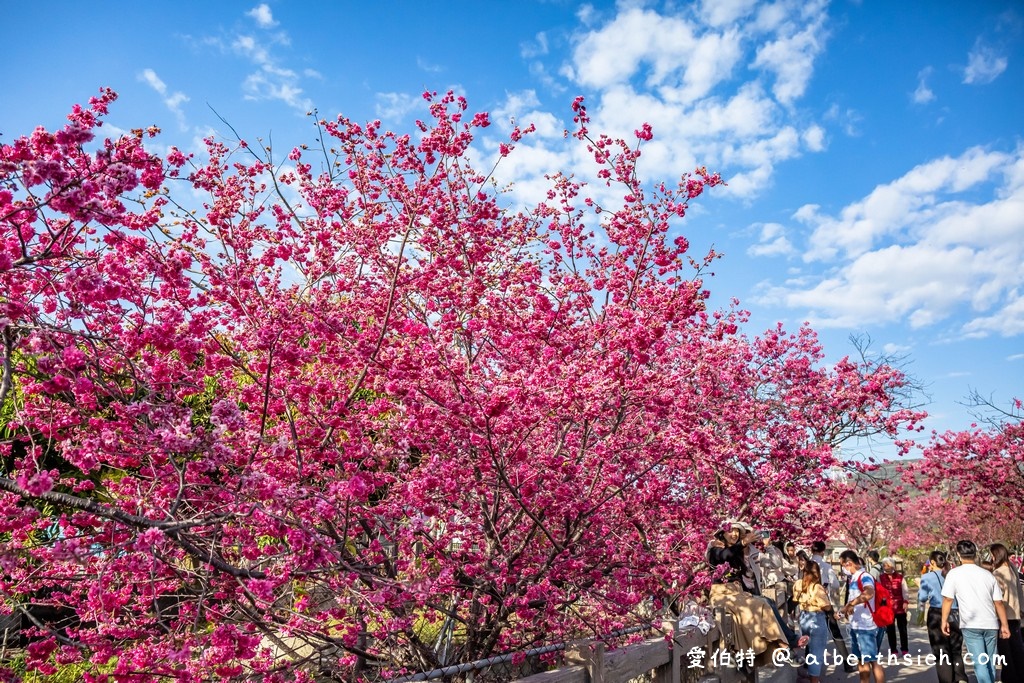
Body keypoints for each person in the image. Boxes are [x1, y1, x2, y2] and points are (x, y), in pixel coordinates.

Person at [706, 522, 809, 657]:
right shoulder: (716, 550)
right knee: (762, 605)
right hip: (723, 594)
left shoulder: (747, 553)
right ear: (722, 534)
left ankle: (788, 643)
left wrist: (768, 546)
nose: (736, 534)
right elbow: (725, 555)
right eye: (731, 531)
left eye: (738, 532)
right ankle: (785, 647)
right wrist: (742, 544)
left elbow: (775, 564)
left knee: (767, 603)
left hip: (740, 593)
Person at [941, 540, 1011, 683]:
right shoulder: (988, 575)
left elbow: (948, 600)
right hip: (991, 624)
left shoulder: (954, 574)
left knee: (980, 663)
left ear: (959, 555)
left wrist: (944, 620)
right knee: (990, 662)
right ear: (975, 554)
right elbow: (998, 602)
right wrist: (1004, 625)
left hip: (971, 624)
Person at [918, 550, 969, 683]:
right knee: (956, 650)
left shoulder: (927, 577)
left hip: (937, 613)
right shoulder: (953, 574)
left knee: (941, 652)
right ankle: (961, 678)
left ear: (933, 562)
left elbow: (922, 598)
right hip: (956, 613)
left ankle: (947, 680)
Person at [839, 550, 885, 683]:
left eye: (843, 565)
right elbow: (854, 600)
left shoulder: (865, 576)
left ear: (849, 563)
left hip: (866, 627)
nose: (843, 568)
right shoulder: (853, 578)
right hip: (856, 626)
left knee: (872, 661)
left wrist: (851, 604)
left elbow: (869, 593)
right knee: (862, 662)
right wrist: (843, 611)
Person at [794, 560, 833, 683]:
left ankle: (810, 676)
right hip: (817, 617)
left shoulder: (798, 584)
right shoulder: (817, 587)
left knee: (809, 649)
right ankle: (814, 679)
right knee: (817, 652)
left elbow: (795, 598)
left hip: (804, 617)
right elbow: (826, 606)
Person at [990, 543, 1024, 683]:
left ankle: (1009, 678)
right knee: (1017, 650)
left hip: (1003, 617)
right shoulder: (1012, 568)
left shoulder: (997, 574)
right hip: (1016, 615)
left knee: (1006, 653)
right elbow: (1019, 593)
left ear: (995, 555)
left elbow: (997, 599)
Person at [879, 557, 911, 655]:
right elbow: (880, 592)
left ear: (891, 565)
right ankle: (893, 650)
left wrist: (906, 602)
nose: (885, 567)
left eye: (886, 565)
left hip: (900, 606)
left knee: (903, 629)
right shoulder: (881, 578)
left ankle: (904, 649)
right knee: (890, 629)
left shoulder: (900, 577)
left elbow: (905, 590)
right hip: (888, 608)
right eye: (883, 565)